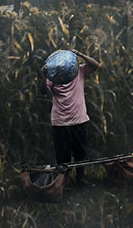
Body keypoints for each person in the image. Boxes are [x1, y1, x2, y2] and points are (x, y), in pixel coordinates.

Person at [43, 49, 100, 184]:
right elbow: (44, 92)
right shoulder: (52, 78)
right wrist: (43, 76)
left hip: (79, 119)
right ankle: (65, 181)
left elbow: (96, 65)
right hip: (60, 122)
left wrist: (80, 54)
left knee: (80, 152)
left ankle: (80, 178)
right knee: (63, 155)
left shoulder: (79, 72)